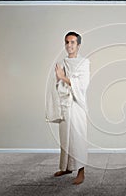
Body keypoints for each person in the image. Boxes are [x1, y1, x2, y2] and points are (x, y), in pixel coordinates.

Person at [49, 31, 90, 185]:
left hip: (77, 105)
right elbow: (59, 85)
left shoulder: (84, 62)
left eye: (72, 42)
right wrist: (60, 80)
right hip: (66, 105)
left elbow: (82, 85)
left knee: (78, 138)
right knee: (65, 138)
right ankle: (67, 167)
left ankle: (81, 171)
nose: (69, 45)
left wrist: (63, 78)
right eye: (67, 42)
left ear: (78, 45)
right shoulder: (64, 62)